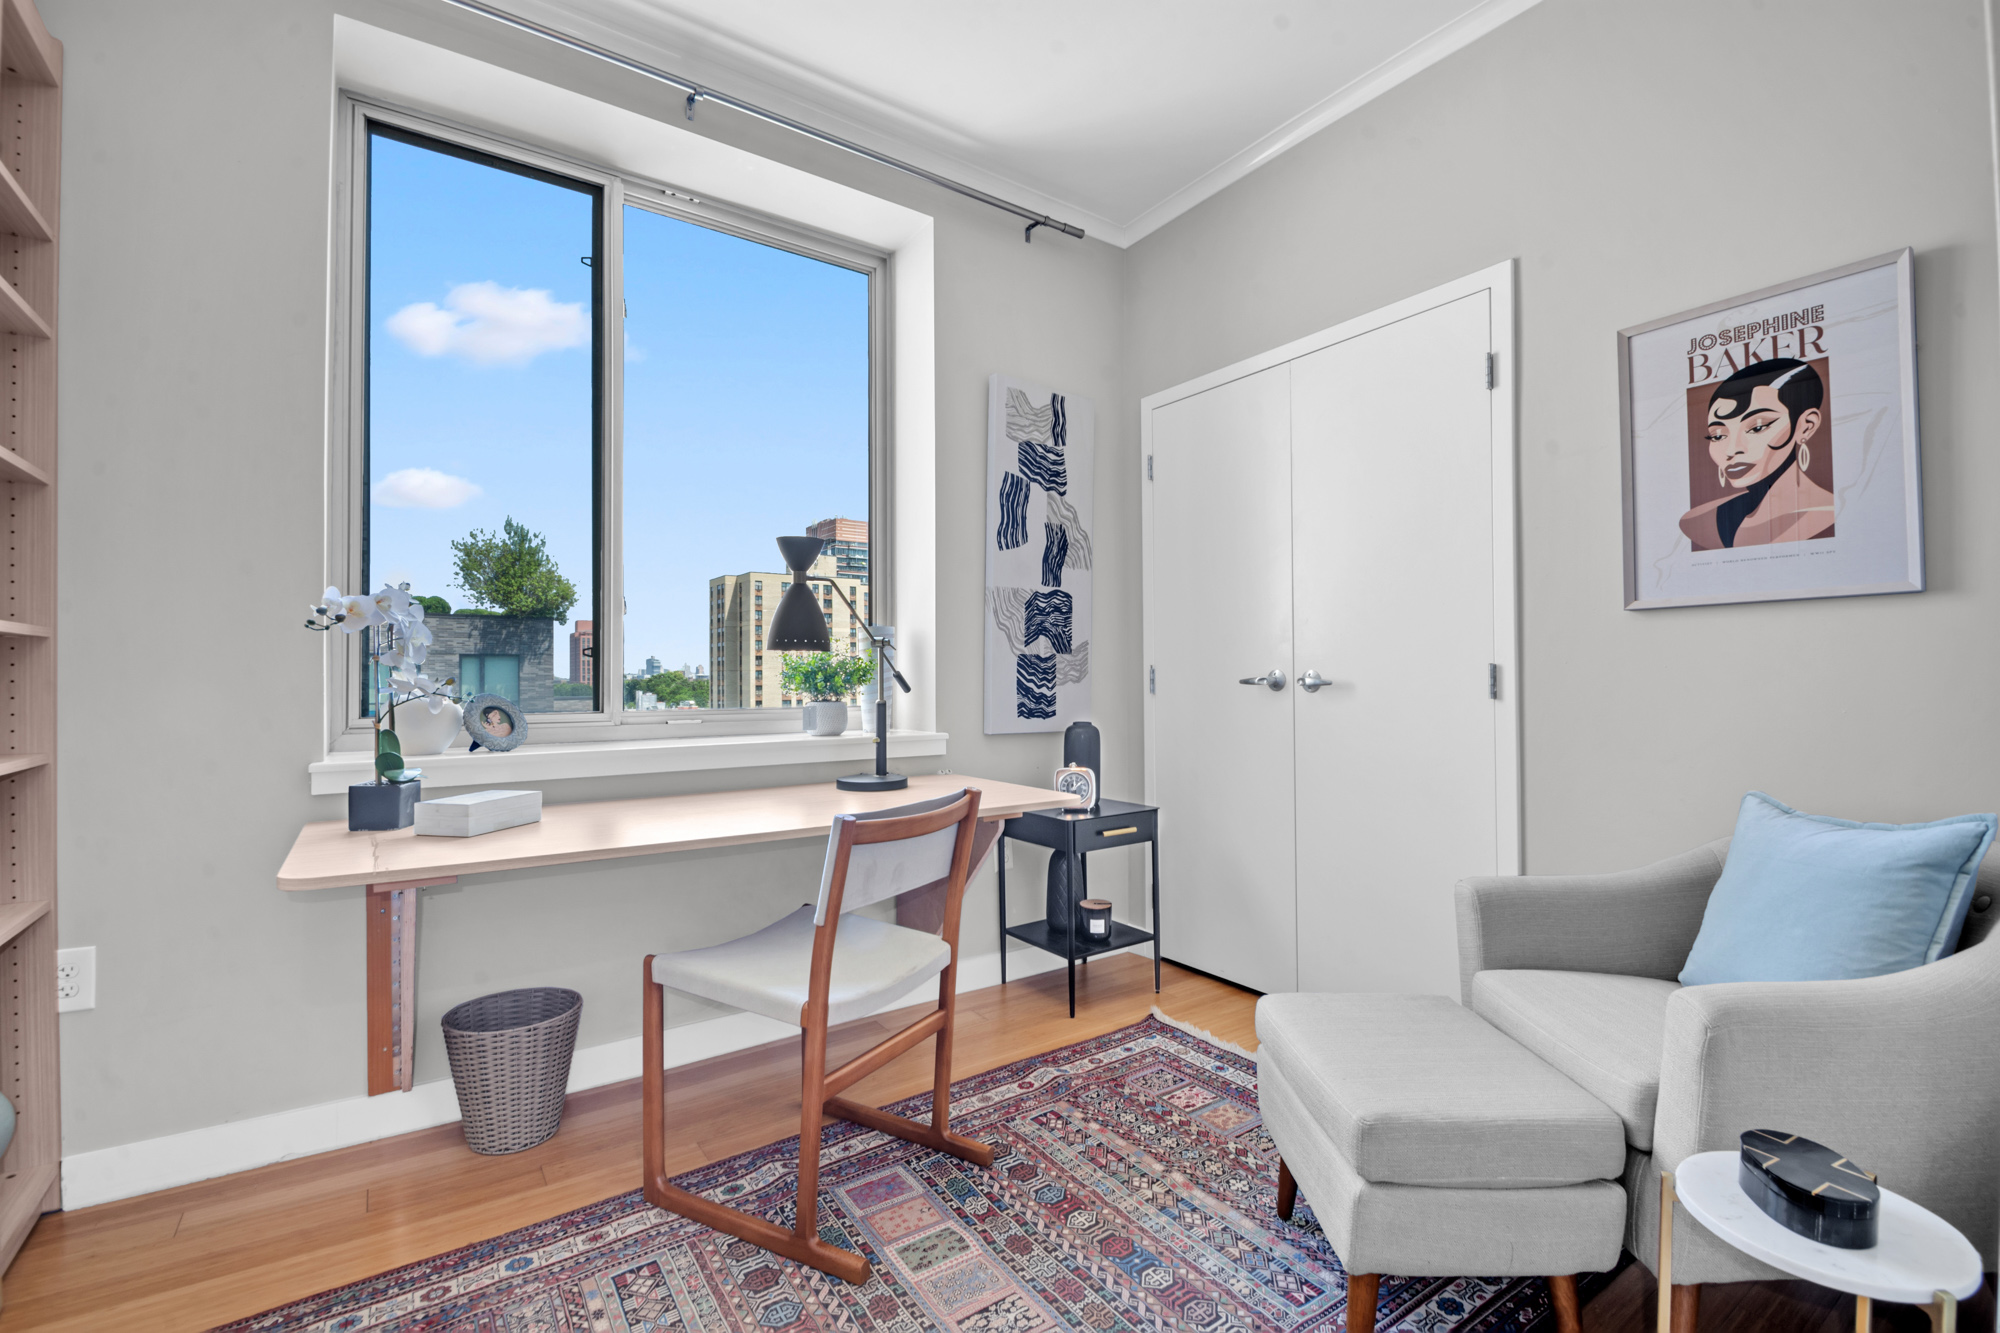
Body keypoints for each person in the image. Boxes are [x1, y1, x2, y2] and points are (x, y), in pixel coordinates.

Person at [1678, 358, 1835, 550]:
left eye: (1758, 427)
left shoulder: (1829, 512)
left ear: (1805, 426)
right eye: (1718, 436)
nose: (1732, 449)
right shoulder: (1703, 521)